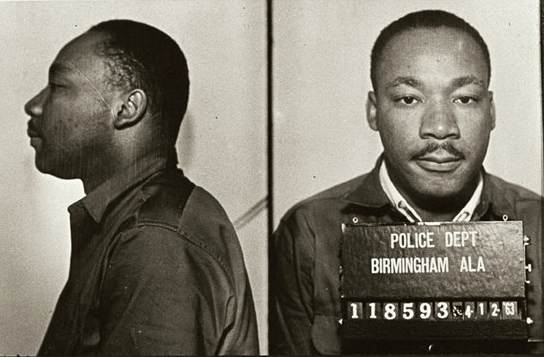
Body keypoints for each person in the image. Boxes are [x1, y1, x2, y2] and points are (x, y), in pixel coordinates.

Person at [269, 10, 543, 354]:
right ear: (374, 112)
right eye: (409, 99)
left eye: (465, 98)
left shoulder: (538, 226)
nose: (440, 128)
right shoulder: (309, 233)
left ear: (491, 112)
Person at [24, 20, 258, 356]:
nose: (34, 105)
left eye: (58, 86)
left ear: (127, 108)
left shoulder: (154, 237)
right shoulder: (133, 223)